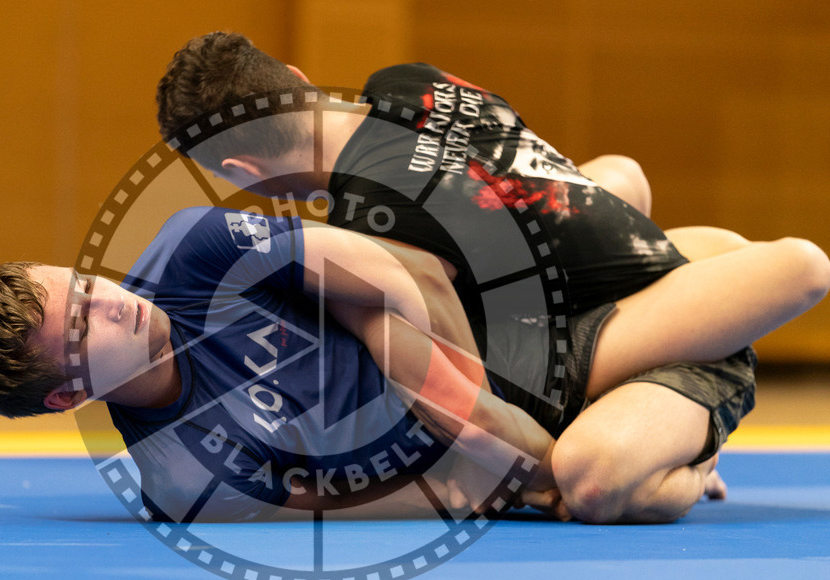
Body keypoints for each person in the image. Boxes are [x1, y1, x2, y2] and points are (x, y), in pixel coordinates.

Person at [153, 32, 830, 521]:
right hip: (630, 256)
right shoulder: (405, 78)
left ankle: (695, 447)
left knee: (591, 477)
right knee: (622, 174)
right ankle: (685, 349)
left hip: (627, 307)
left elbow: (465, 393)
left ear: (239, 171)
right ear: (298, 79)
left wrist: (534, 481)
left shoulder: (370, 228)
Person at [0, 206, 829, 525]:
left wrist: (444, 392)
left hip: (502, 330)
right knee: (594, 484)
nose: (110, 295)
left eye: (85, 280)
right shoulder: (187, 480)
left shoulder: (195, 251)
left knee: (768, 257)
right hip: (511, 422)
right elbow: (389, 492)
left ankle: (666, 321)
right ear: (73, 392)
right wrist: (522, 473)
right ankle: (692, 457)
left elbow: (404, 275)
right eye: (84, 322)